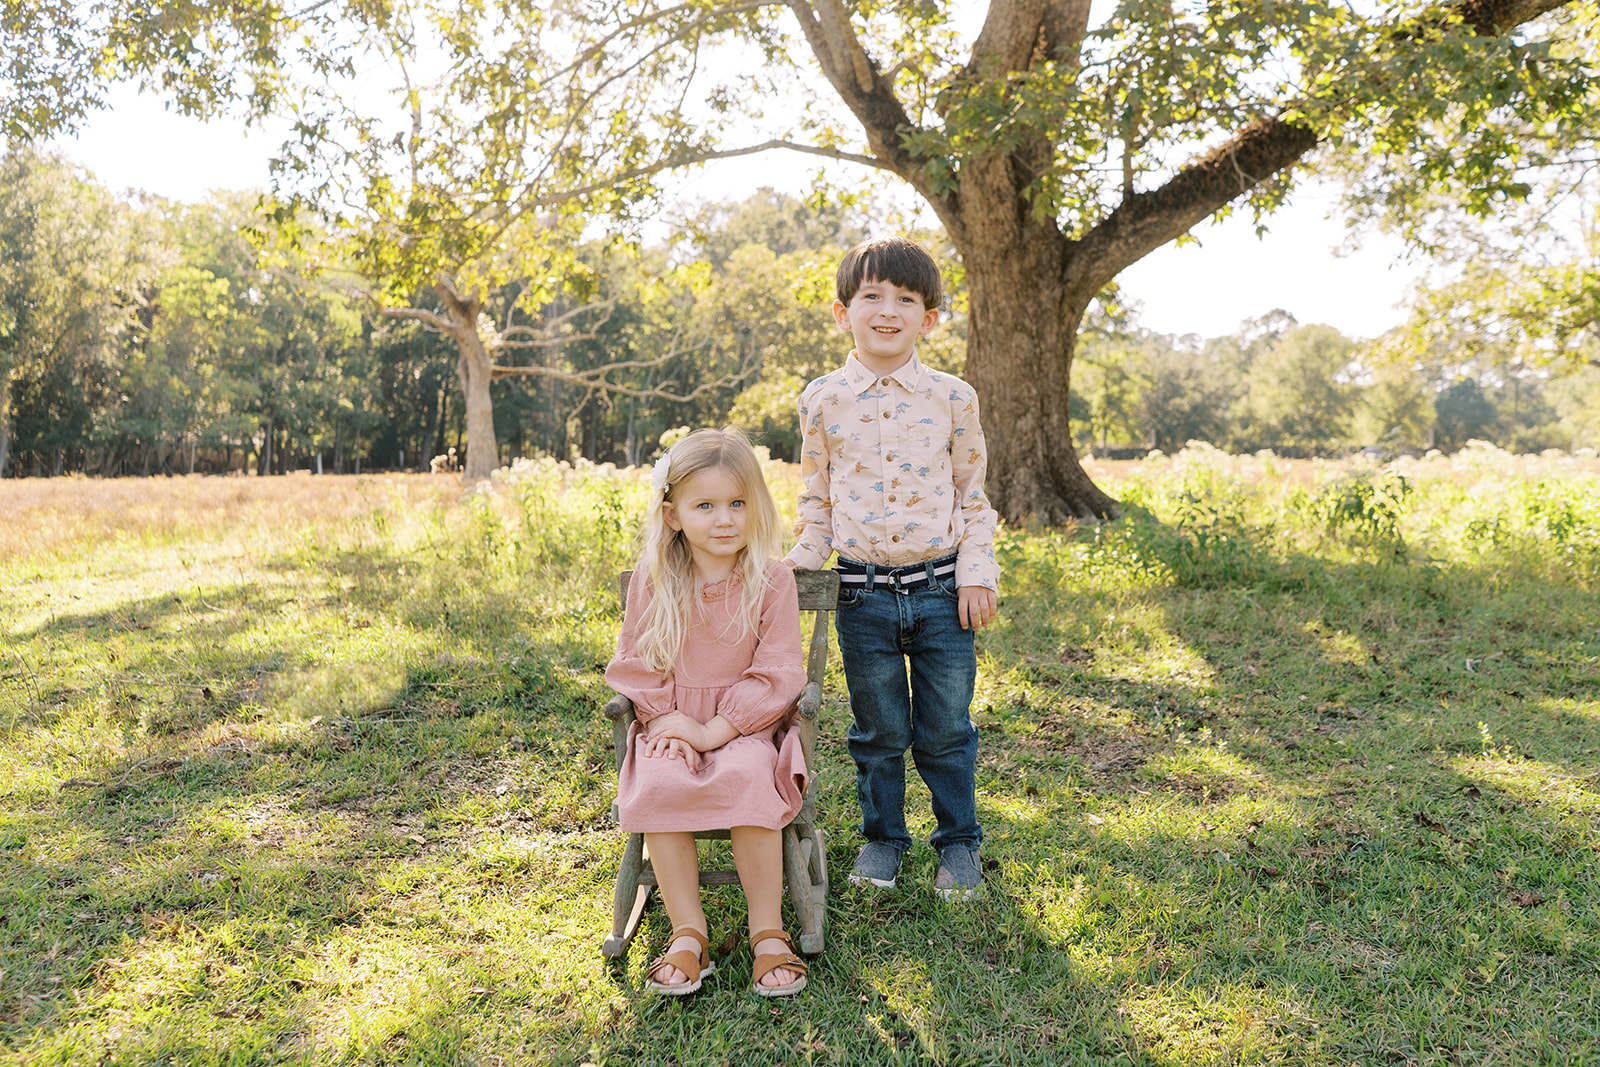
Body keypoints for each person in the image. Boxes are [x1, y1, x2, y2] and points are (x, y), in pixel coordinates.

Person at [784, 235, 1000, 900]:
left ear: (929, 318)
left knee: (945, 727)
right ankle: (883, 840)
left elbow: (973, 497)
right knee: (877, 728)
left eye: (905, 299)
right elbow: (816, 502)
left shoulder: (953, 398)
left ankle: (958, 843)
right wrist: (791, 568)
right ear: (841, 310)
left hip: (940, 592)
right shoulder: (821, 399)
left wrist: (976, 570)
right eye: (871, 296)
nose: (887, 310)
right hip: (862, 595)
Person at [606, 427, 811, 996]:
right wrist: (671, 724)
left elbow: (778, 672)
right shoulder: (656, 578)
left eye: (738, 503)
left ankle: (767, 930)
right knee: (662, 780)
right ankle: (687, 931)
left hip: (748, 726)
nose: (725, 519)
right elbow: (640, 662)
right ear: (673, 515)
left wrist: (712, 729)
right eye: (706, 506)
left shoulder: (772, 580)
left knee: (747, 777)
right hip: (673, 724)